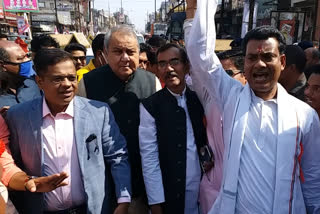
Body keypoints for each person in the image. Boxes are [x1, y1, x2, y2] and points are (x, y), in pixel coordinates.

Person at [184, 0, 320, 213]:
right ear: (245, 63)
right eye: (252, 58)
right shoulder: (230, 97)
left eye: (268, 57)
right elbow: (200, 53)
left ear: (282, 62)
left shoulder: (305, 116)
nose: (259, 64)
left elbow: (312, 177)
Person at [6, 48, 131, 214]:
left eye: (72, 78)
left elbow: (117, 156)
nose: (66, 84)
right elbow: (11, 164)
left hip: (92, 209)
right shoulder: (18, 116)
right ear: (39, 81)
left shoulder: (98, 112)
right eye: (57, 79)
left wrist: (123, 200)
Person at [78, 25, 159, 214]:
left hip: (141, 181)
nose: (125, 58)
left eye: (130, 52)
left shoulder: (151, 82)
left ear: (139, 53)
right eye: (117, 51)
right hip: (103, 181)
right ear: (105, 53)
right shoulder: (88, 83)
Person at [139, 43, 212, 214]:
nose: (169, 68)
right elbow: (149, 157)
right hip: (169, 191)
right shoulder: (150, 106)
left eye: (174, 62)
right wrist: (155, 202)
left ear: (186, 66)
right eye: (162, 64)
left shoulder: (199, 99)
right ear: (157, 69)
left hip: (201, 190)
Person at [0, 40, 41, 108]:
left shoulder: (35, 84)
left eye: (26, 56)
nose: (27, 61)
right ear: (2, 65)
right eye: (20, 59)